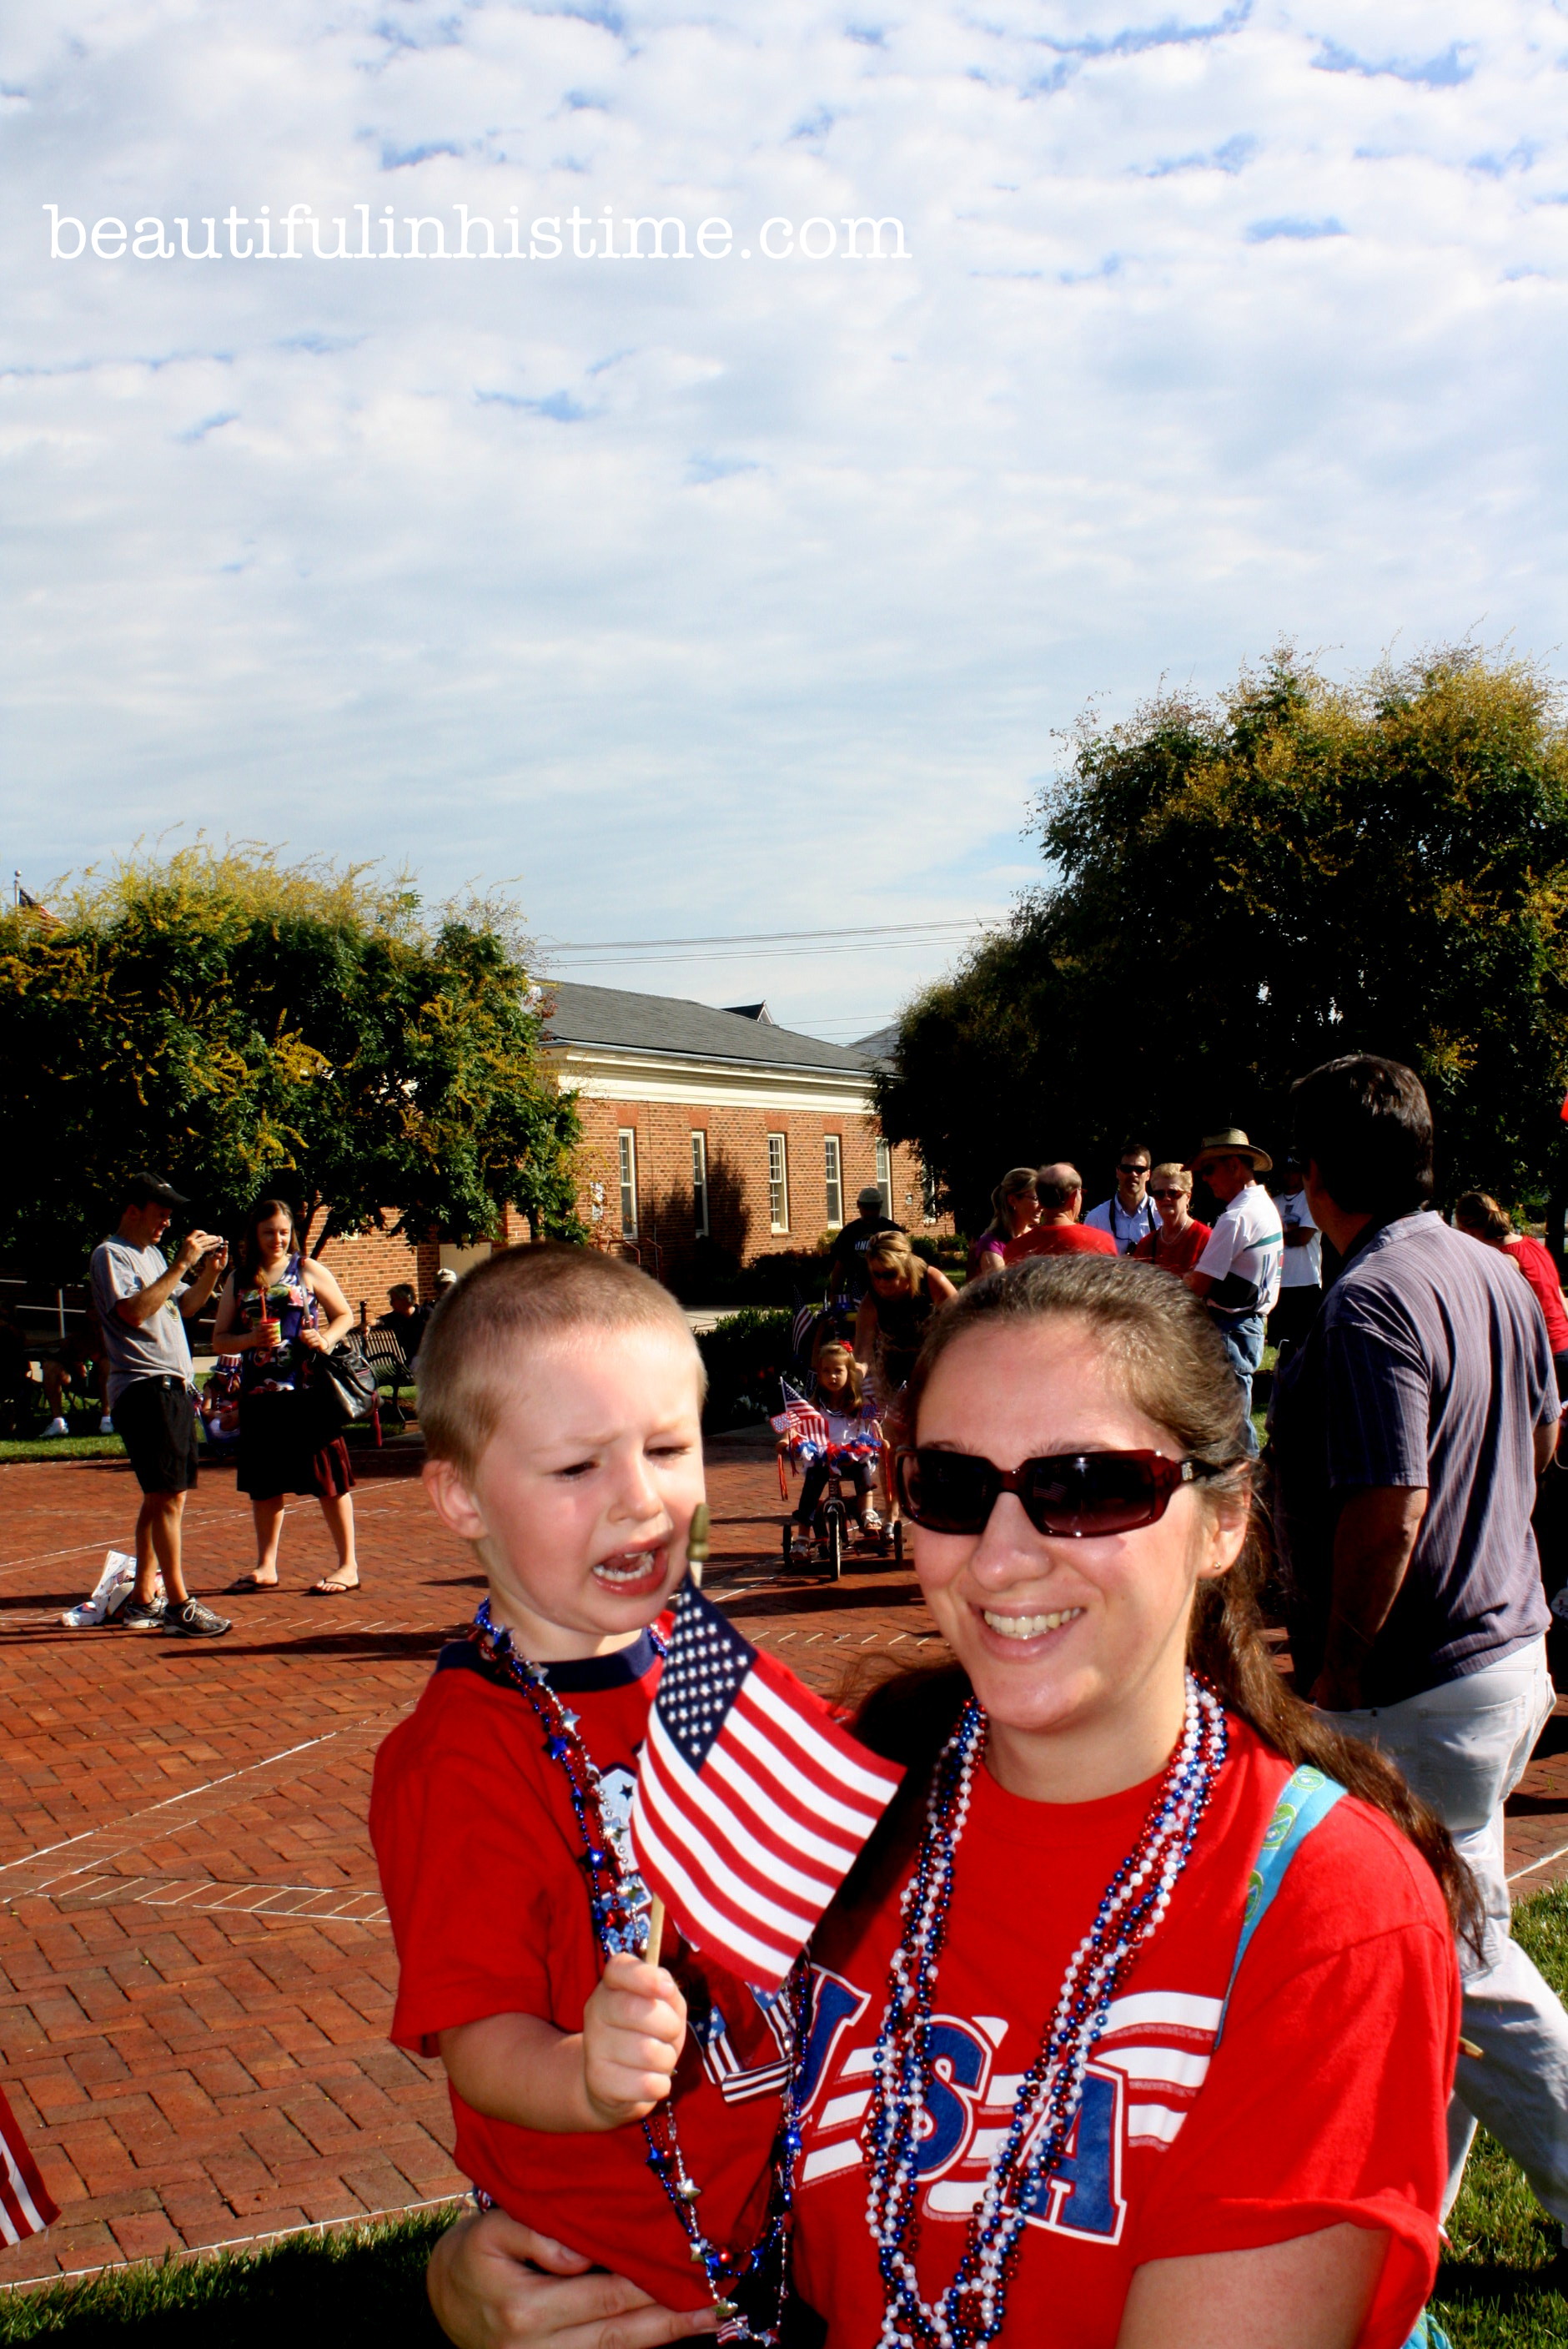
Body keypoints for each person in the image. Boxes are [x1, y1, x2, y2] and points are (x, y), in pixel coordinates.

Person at [431, 1253, 1466, 2349]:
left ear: (1223, 1520)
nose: (1006, 1557)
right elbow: (669, 2160)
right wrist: (482, 2277)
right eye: (955, 1486)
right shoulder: (841, 1801)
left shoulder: (1327, 1912)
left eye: (1087, 1486)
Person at [370, 1245, 792, 2337]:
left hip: (786, 2216)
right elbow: (480, 2034)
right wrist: (583, 2081)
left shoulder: (696, 1654)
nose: (641, 1501)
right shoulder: (465, 1751)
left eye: (666, 1449)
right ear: (461, 1494)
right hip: (614, 2278)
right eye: (577, 1470)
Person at [1271, 1054, 1568, 2256]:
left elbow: (1388, 1505)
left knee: (1468, 1963)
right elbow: (1544, 1439)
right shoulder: (1490, 1271)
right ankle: (1412, 2225)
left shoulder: (1368, 1300)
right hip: (1503, 1654)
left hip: (1421, 1684)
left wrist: (1339, 1670)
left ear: (1319, 1176)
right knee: (1436, 1956)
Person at [88, 1172, 233, 1637]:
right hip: (144, 1388)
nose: (167, 1222)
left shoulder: (151, 1255)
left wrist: (208, 1272)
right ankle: (179, 1602)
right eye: (160, 1212)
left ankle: (143, 1598)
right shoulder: (111, 1255)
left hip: (172, 1388)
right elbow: (132, 1312)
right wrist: (181, 1264)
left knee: (163, 1495)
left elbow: (184, 1307)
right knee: (168, 1496)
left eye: (170, 1214)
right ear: (133, 1209)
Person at [211, 1199, 361, 1595]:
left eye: (282, 1231)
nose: (277, 1239)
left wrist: (324, 1338)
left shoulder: (306, 1269)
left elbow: (344, 1314)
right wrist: (248, 1339)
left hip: (308, 1391)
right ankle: (265, 1565)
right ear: (254, 1235)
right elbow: (219, 1338)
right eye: (268, 1232)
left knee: (328, 1478)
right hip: (260, 1394)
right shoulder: (239, 1280)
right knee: (265, 1482)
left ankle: (348, 1565)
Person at [1184, 1130, 1283, 1452]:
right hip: (1247, 1325)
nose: (1205, 1180)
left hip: (1230, 1328)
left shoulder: (1237, 1216)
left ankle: (1249, 1493)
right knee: (1234, 1418)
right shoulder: (1264, 1206)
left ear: (1235, 1166)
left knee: (1230, 1425)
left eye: (1209, 1170)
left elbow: (1199, 1284)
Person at [1454, 1191, 1568, 1396]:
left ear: (1467, 1229)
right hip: (1563, 1347)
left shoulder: (1506, 1262)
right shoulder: (1533, 1244)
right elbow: (1558, 1295)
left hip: (1543, 1357)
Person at [781, 1340, 882, 1564]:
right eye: (826, 1371)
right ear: (819, 1374)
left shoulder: (857, 1402)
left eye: (838, 1370)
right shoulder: (815, 1402)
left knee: (862, 1466)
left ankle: (867, 1512)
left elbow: (876, 1420)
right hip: (823, 1455)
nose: (832, 1376)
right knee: (812, 1485)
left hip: (850, 1452)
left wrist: (882, 1437)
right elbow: (791, 1421)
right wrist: (785, 1438)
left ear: (849, 1373)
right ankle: (803, 1537)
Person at [1003, 1164, 1118, 1264]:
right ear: (1074, 1197)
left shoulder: (1015, 1248)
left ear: (1040, 1199)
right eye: (1081, 1192)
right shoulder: (1100, 1242)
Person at [1269, 1158, 1323, 1352]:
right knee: (1280, 1346)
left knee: (1307, 1344)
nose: (1290, 1175)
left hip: (1305, 1282)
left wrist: (1274, 1237)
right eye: (1286, 1170)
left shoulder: (1311, 1202)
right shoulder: (1272, 1203)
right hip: (1279, 1283)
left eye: (1295, 1170)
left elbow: (1302, 1237)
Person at [824, 1186, 903, 1307]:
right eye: (867, 1207)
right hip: (857, 1293)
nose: (870, 1212)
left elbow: (905, 1263)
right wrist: (835, 1294)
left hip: (888, 1291)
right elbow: (840, 1266)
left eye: (874, 1207)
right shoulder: (849, 1232)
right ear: (858, 1205)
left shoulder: (891, 1230)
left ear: (880, 1205)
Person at [40, 1306, 112, 1438]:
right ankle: (58, 1422)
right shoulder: (78, 1334)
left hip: (106, 1380)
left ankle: (107, 1420)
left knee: (106, 1363)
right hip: (78, 1379)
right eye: (90, 1308)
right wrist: (75, 1363)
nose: (94, 1312)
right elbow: (63, 1355)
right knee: (50, 1366)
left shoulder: (113, 1331)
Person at [1131, 1164, 1211, 1278]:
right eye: (1159, 1194)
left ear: (1188, 1197)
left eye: (1174, 1193)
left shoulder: (1206, 1239)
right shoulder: (1146, 1244)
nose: (1166, 1198)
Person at [1084, 1140, 1159, 1254]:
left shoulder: (1161, 1215)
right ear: (1117, 1172)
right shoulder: (1096, 1219)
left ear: (1148, 1175)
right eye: (1127, 1169)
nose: (1133, 1174)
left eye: (1139, 1170)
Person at [968, 1168, 1039, 1280]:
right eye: (1036, 1199)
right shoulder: (991, 1244)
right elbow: (1001, 1290)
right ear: (1012, 1200)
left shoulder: (1036, 1237)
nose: (1041, 1207)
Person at [378, 1281, 434, 1363]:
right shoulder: (396, 1317)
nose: (391, 1304)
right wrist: (368, 1325)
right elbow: (380, 1321)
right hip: (414, 1362)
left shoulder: (427, 1314)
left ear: (405, 1300)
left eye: (393, 1300)